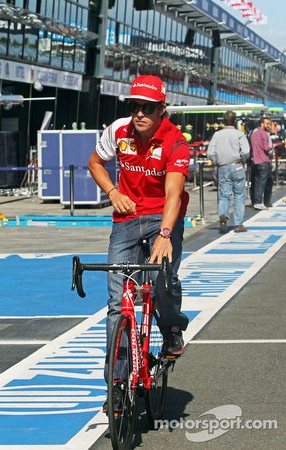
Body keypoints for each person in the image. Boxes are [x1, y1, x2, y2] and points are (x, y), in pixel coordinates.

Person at [88, 74, 190, 413]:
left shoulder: (176, 142)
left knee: (161, 283)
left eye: (148, 107)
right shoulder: (118, 130)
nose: (140, 113)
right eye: (135, 106)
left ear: (163, 109)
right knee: (118, 304)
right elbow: (95, 163)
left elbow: (174, 193)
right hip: (126, 221)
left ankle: (172, 327)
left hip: (164, 217)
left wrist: (164, 234)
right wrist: (113, 192)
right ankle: (116, 386)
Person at [207, 110, 250, 233]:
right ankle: (238, 224)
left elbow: (210, 153)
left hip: (223, 166)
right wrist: (242, 160)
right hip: (237, 165)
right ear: (235, 121)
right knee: (239, 195)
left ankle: (223, 214)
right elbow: (246, 151)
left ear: (223, 121)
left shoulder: (217, 135)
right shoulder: (239, 134)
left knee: (224, 194)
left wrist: (217, 161)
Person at [250, 117, 273, 210]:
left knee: (256, 181)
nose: (269, 126)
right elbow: (266, 148)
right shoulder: (264, 134)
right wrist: (271, 147)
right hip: (263, 160)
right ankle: (259, 202)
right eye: (267, 124)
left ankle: (255, 201)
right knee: (263, 182)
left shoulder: (253, 134)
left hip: (255, 160)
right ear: (261, 124)